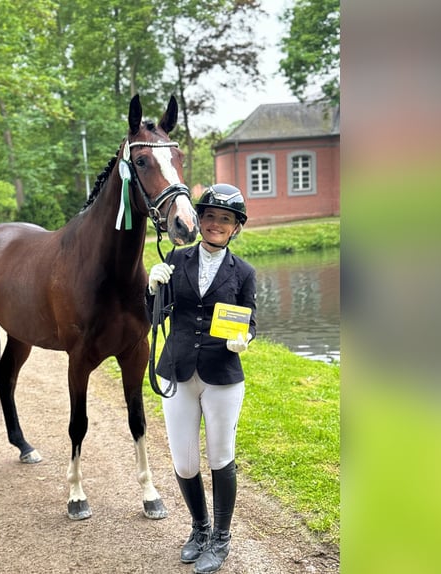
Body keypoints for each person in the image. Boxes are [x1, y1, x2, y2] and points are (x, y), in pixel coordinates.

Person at [146, 183, 257, 574]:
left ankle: (221, 538)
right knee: (185, 460)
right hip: (178, 370)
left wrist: (244, 337)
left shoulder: (243, 273)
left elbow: (250, 321)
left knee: (220, 455)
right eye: (209, 216)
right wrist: (152, 287)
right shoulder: (176, 259)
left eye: (224, 219)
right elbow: (154, 317)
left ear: (235, 228)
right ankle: (199, 528)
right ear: (200, 220)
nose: (215, 224)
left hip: (222, 376)